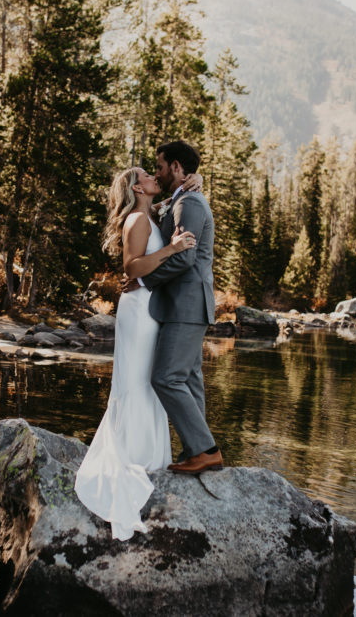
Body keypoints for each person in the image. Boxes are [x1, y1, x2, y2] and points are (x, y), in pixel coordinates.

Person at [74, 166, 200, 541]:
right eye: (146, 175)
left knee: (147, 380)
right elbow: (132, 266)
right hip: (139, 308)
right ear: (135, 186)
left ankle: (147, 455)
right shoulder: (136, 219)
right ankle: (133, 455)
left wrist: (195, 183)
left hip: (149, 307)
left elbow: (169, 201)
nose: (152, 176)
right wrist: (173, 248)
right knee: (136, 382)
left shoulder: (148, 212)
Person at [134, 140, 222, 475]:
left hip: (186, 304)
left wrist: (146, 280)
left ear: (175, 167)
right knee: (188, 378)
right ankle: (195, 452)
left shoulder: (191, 202)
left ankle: (205, 450)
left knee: (166, 377)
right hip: (185, 305)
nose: (157, 172)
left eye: (159, 166)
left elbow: (185, 257)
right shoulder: (180, 200)